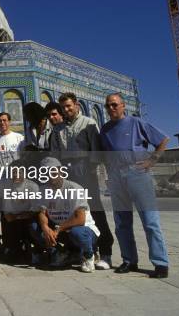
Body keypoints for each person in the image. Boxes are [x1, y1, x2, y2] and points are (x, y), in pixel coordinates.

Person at [100, 93, 170, 278]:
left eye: (114, 105)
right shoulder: (105, 129)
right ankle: (129, 260)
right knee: (122, 222)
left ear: (123, 106)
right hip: (117, 177)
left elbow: (163, 140)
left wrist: (151, 161)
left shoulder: (136, 123)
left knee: (150, 221)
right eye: (108, 106)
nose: (111, 108)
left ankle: (160, 263)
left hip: (137, 174)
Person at [49, 92, 114, 270]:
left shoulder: (88, 123)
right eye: (63, 107)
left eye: (69, 106)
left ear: (76, 104)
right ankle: (77, 251)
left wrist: (92, 171)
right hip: (67, 173)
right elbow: (55, 155)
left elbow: (95, 149)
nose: (66, 110)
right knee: (70, 212)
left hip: (85, 170)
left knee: (95, 211)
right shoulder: (58, 129)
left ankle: (105, 252)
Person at [30, 157, 100, 273]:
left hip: (83, 229)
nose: (50, 175)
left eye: (53, 171)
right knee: (34, 226)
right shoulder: (42, 190)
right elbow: (42, 212)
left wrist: (58, 230)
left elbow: (80, 219)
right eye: (46, 172)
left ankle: (88, 255)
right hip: (61, 230)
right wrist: (45, 228)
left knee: (76, 232)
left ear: (61, 171)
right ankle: (60, 253)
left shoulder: (74, 188)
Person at [0, 159, 39, 264]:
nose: (16, 175)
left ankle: (35, 249)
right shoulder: (3, 183)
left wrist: (17, 217)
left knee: (33, 226)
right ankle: (7, 247)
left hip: (26, 218)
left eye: (19, 172)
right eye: (13, 172)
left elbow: (35, 211)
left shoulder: (33, 186)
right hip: (8, 218)